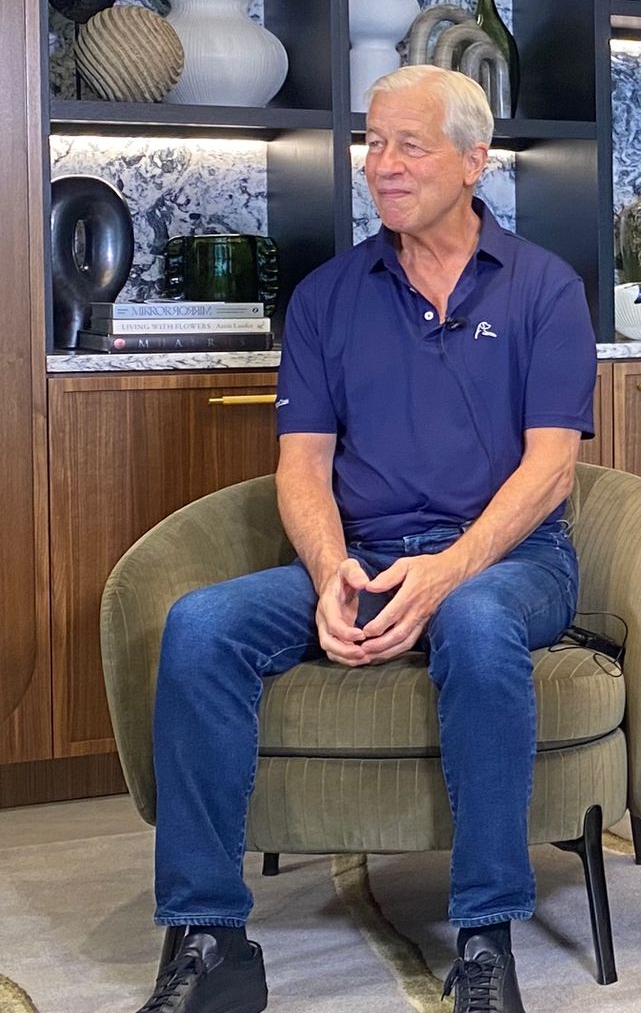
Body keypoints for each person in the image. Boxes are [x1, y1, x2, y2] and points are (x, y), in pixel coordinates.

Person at [135, 65, 596, 1013]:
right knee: (199, 626)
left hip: (512, 562)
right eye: (373, 142)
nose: (381, 166)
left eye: (409, 145)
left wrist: (449, 570)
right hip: (366, 556)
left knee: (470, 620)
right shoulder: (327, 297)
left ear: (475, 160)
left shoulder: (546, 289)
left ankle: (484, 940)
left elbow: (550, 469)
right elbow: (301, 468)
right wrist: (330, 572)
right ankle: (209, 938)